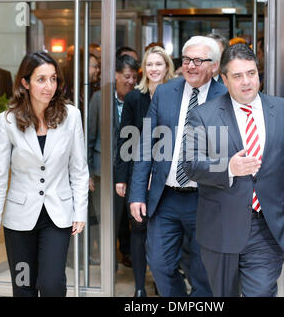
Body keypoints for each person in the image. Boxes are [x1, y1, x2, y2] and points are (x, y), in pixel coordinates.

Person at [182, 43, 284, 297]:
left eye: (251, 73)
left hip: (267, 226)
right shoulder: (203, 115)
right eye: (238, 76)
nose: (246, 82)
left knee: (261, 292)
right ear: (224, 79)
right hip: (221, 227)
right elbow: (191, 165)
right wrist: (228, 167)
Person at [128, 36, 227, 297]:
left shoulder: (226, 97)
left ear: (214, 66)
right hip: (166, 197)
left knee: (203, 271)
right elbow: (146, 144)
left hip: (206, 199)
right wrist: (138, 193)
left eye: (198, 60)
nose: (191, 66)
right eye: (186, 60)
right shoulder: (165, 92)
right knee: (159, 264)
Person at [0, 51, 89, 297]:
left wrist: (79, 210)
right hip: (19, 218)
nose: (49, 86)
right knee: (24, 285)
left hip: (58, 215)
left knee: (53, 284)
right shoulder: (7, 121)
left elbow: (79, 169)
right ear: (25, 82)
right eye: (41, 79)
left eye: (53, 79)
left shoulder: (71, 116)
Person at [116, 46, 175, 297]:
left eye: (158, 64)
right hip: (137, 173)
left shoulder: (178, 95)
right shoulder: (134, 98)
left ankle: (164, 285)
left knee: (165, 232)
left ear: (167, 68)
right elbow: (124, 140)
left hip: (168, 176)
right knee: (138, 231)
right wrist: (121, 178)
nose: (153, 69)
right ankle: (140, 287)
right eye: (149, 64)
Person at [88, 55, 139, 270]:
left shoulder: (137, 98)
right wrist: (88, 172)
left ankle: (125, 255)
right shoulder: (100, 98)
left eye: (134, 77)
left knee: (128, 221)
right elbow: (89, 135)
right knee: (105, 217)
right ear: (116, 75)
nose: (130, 81)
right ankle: (109, 263)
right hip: (103, 170)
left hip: (131, 171)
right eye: (126, 76)